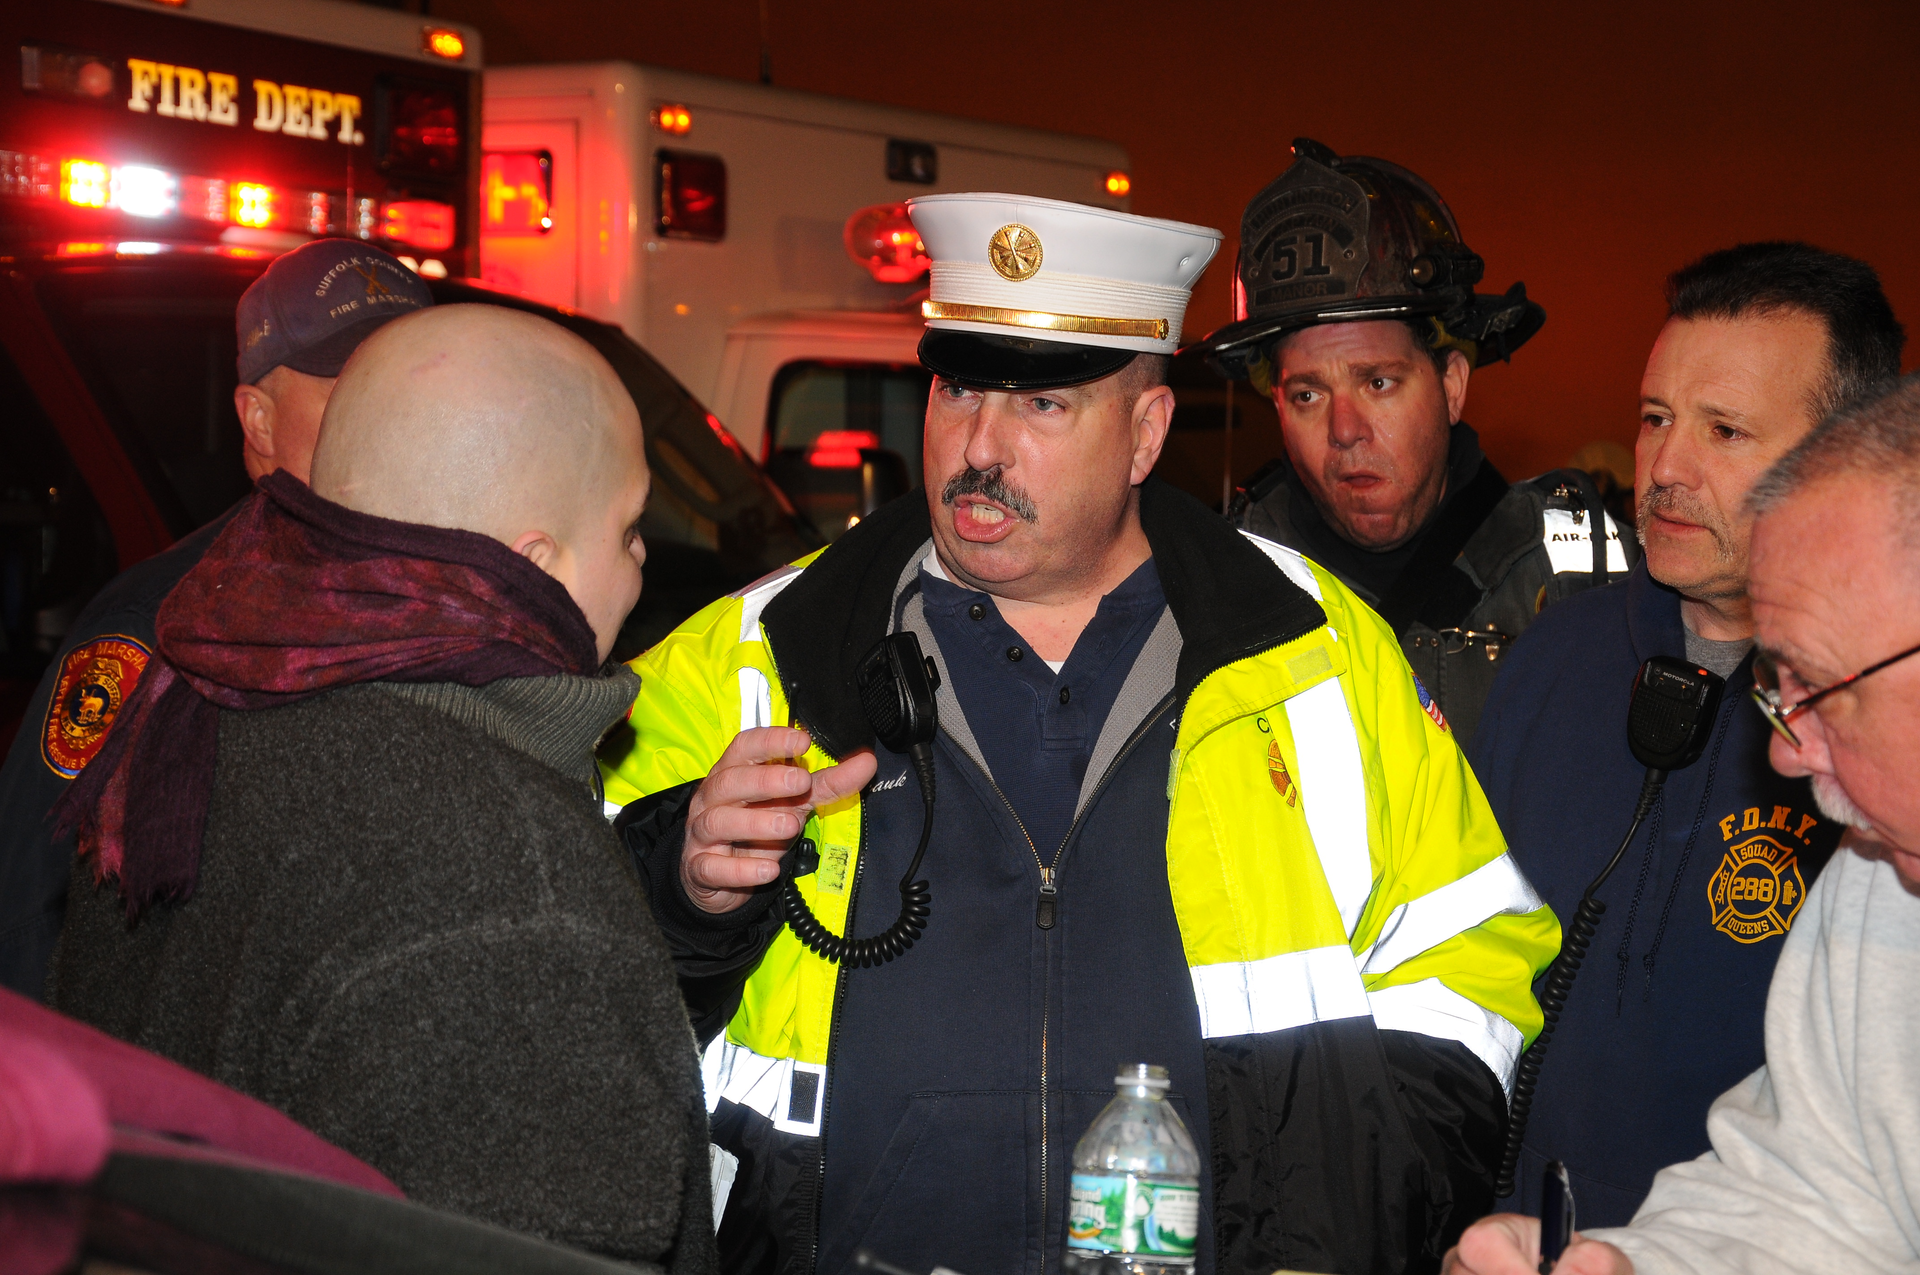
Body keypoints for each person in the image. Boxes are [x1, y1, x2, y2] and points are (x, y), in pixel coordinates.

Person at [601, 192, 1558, 1275]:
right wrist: (685, 888)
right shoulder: (753, 655)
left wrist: (1358, 1213)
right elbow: (561, 962)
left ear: (1146, 433)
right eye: (959, 389)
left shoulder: (1314, 652)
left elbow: (1471, 955)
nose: (980, 449)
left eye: (1044, 408)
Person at [46, 304, 716, 1270]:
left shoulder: (186, 726)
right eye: (628, 528)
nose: (643, 561)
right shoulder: (517, 882)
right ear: (538, 568)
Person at [1470, 242, 1903, 1227]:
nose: (1665, 467)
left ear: (1843, 454)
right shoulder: (1549, 659)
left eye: (1725, 430)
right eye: (1657, 419)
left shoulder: (1881, 726)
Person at [0, 239, 432, 997]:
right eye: (356, 384)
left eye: (419, 380)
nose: (399, 411)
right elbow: (31, 903)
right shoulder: (160, 629)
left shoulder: (458, 605)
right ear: (258, 423)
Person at [1197, 139, 1630, 747]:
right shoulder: (1223, 585)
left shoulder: (1583, 570)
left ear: (1452, 384)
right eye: (1307, 396)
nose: (1345, 430)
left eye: (1378, 382)